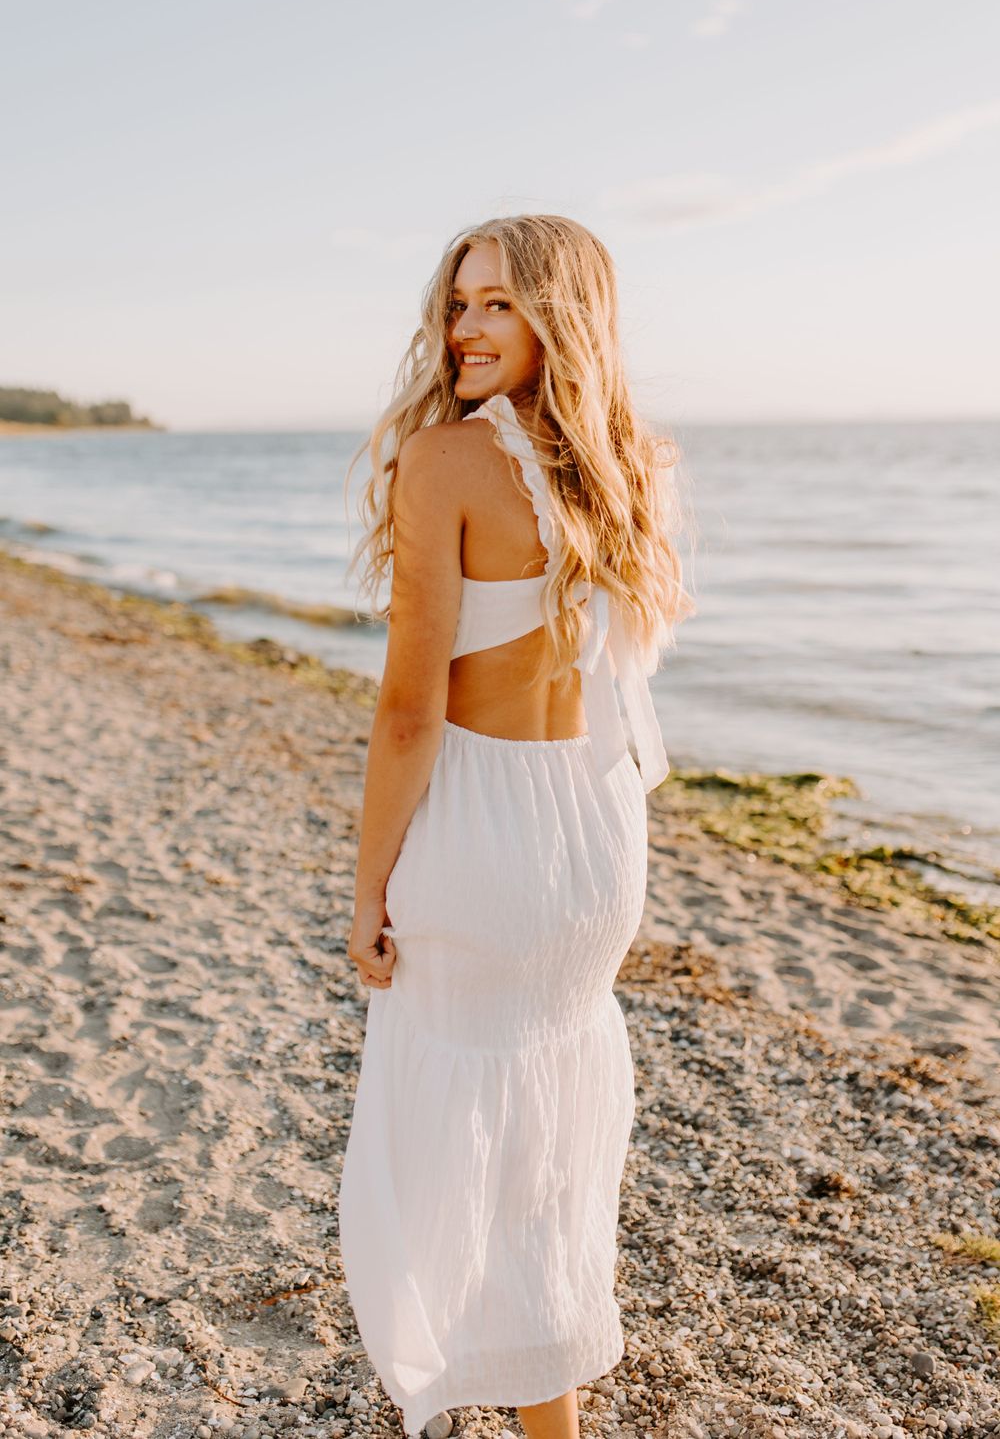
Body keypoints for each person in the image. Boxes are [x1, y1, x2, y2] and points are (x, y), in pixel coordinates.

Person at [338, 213, 694, 1438]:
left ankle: (474, 1394)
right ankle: (548, 1412)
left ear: (560, 312)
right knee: (542, 1135)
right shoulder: (633, 461)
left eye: (499, 303)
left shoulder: (444, 461)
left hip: (487, 825)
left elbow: (405, 710)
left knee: (457, 1146)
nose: (467, 328)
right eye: (459, 302)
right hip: (593, 835)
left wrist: (365, 888)